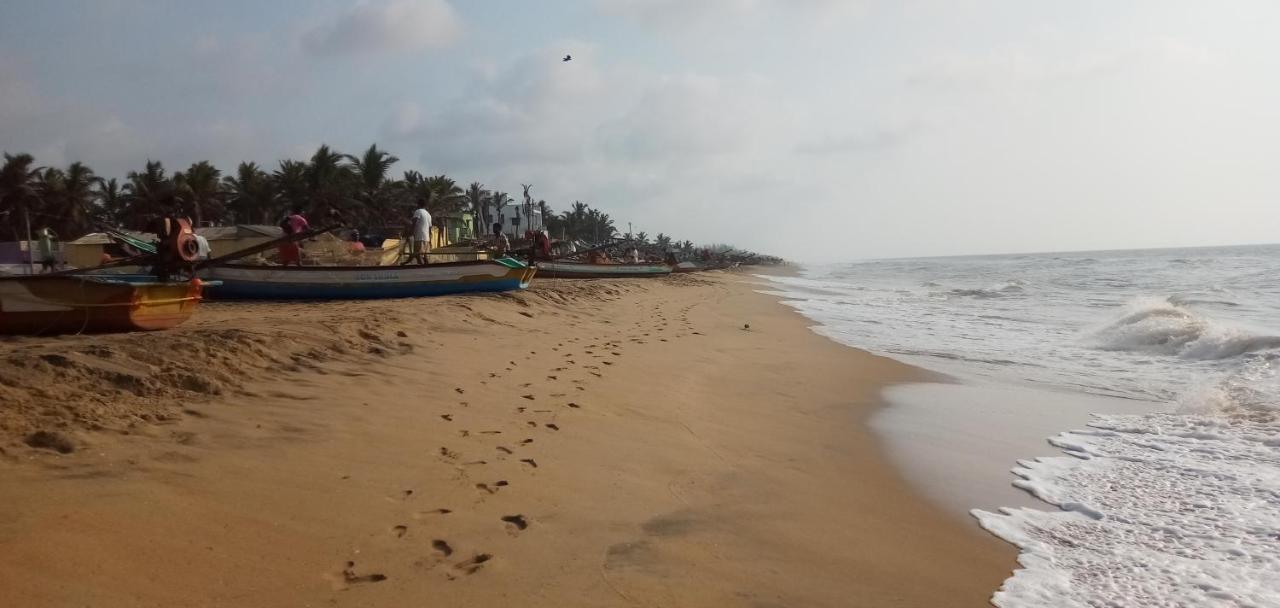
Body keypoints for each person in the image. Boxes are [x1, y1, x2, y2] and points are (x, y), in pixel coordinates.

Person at [410, 200, 432, 264]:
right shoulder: (428, 214)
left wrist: (411, 231)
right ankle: (427, 267)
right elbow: (430, 227)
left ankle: (421, 267)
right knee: (424, 255)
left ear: (418, 204)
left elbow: (414, 222)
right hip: (426, 238)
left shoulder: (418, 211)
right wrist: (430, 238)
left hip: (419, 236)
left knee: (417, 254)